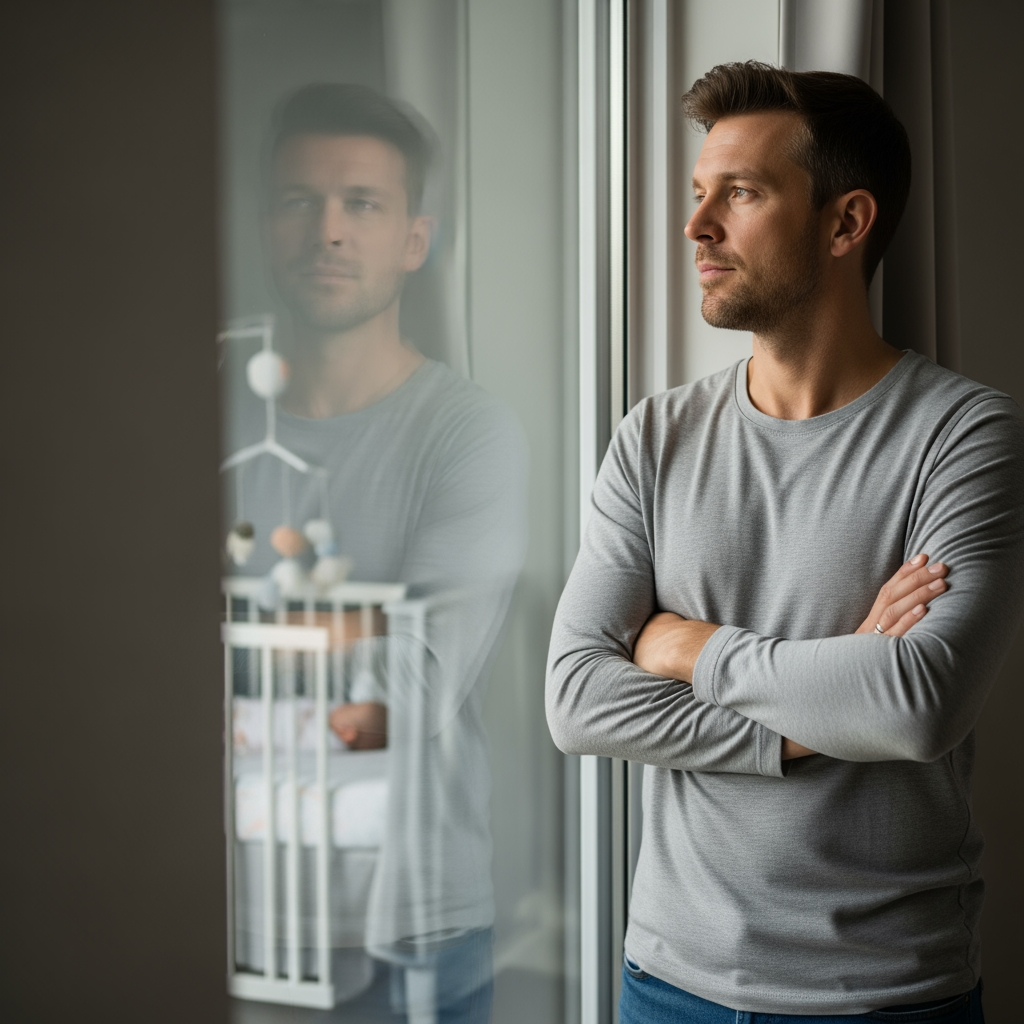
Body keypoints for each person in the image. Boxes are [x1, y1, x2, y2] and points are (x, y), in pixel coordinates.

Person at [546, 61, 1024, 1023]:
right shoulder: (654, 436)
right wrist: (827, 706)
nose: (696, 226)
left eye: (741, 193)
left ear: (846, 224)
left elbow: (917, 704)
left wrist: (687, 648)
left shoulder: (967, 436)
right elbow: (579, 700)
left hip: (886, 994)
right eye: (699, 192)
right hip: (665, 981)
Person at [225, 83, 526, 1022]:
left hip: (413, 929)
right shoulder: (208, 420)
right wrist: (352, 630)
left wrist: (243, 654)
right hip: (232, 908)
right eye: (299, 201)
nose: (328, 231)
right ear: (264, 227)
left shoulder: (468, 433)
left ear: (413, 240)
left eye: (361, 204)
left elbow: (413, 684)